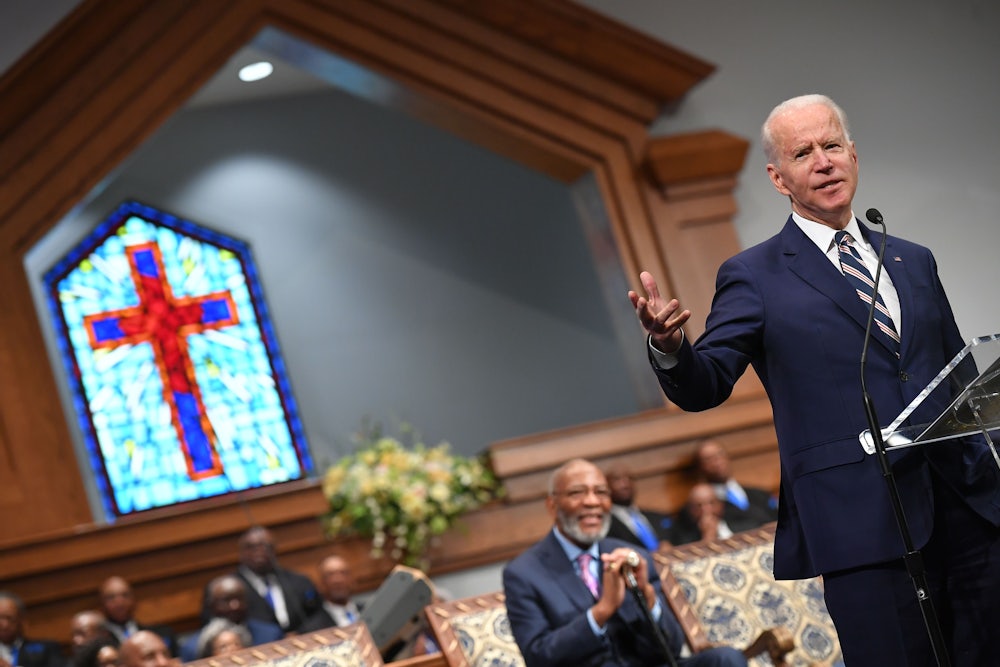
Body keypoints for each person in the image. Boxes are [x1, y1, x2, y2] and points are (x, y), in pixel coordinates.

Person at [628, 93, 1000, 667]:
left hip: (967, 510)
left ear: (853, 154)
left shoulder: (911, 258)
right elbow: (706, 384)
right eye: (804, 153)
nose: (823, 161)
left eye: (831, 145)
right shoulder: (753, 275)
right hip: (861, 524)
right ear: (779, 179)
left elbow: (959, 375)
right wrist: (670, 345)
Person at [502, 458, 745, 667]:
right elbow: (539, 657)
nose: (592, 502)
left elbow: (670, 647)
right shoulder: (524, 573)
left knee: (725, 659)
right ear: (552, 505)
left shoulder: (633, 555)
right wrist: (601, 611)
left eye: (601, 492)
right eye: (577, 492)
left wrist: (648, 600)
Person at [199, 527, 319, 634]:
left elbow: (317, 614)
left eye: (266, 546)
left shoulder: (299, 582)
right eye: (251, 547)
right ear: (241, 552)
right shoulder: (224, 590)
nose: (259, 551)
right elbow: (214, 628)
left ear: (274, 550)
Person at [180, 576, 283, 662]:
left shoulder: (271, 635)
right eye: (226, 600)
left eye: (239, 598)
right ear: (211, 605)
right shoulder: (192, 648)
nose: (235, 606)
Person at [693, 439, 777, 528]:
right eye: (708, 459)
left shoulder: (760, 494)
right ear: (700, 467)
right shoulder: (704, 508)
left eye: (719, 454)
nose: (717, 461)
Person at [98, 577, 177, 656]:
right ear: (102, 604)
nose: (120, 602)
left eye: (125, 595)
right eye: (111, 597)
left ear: (134, 600)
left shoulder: (160, 634)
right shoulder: (99, 644)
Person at [603, 463, 673, 551]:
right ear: (606, 487)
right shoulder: (605, 524)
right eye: (617, 479)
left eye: (630, 478)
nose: (625, 484)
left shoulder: (657, 517)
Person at [298, 555, 362, 632]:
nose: (338, 580)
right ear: (320, 584)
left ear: (352, 580)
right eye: (330, 575)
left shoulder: (372, 610)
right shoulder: (311, 629)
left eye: (343, 573)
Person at [667, 482, 746, 545]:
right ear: (691, 510)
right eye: (699, 506)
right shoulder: (683, 538)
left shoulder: (741, 523)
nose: (706, 510)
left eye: (711, 503)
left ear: (720, 505)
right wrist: (708, 537)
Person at [0, 592, 64, 667]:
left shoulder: (46, 649)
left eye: (10, 618)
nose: (4, 625)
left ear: (21, 621)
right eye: (0, 618)